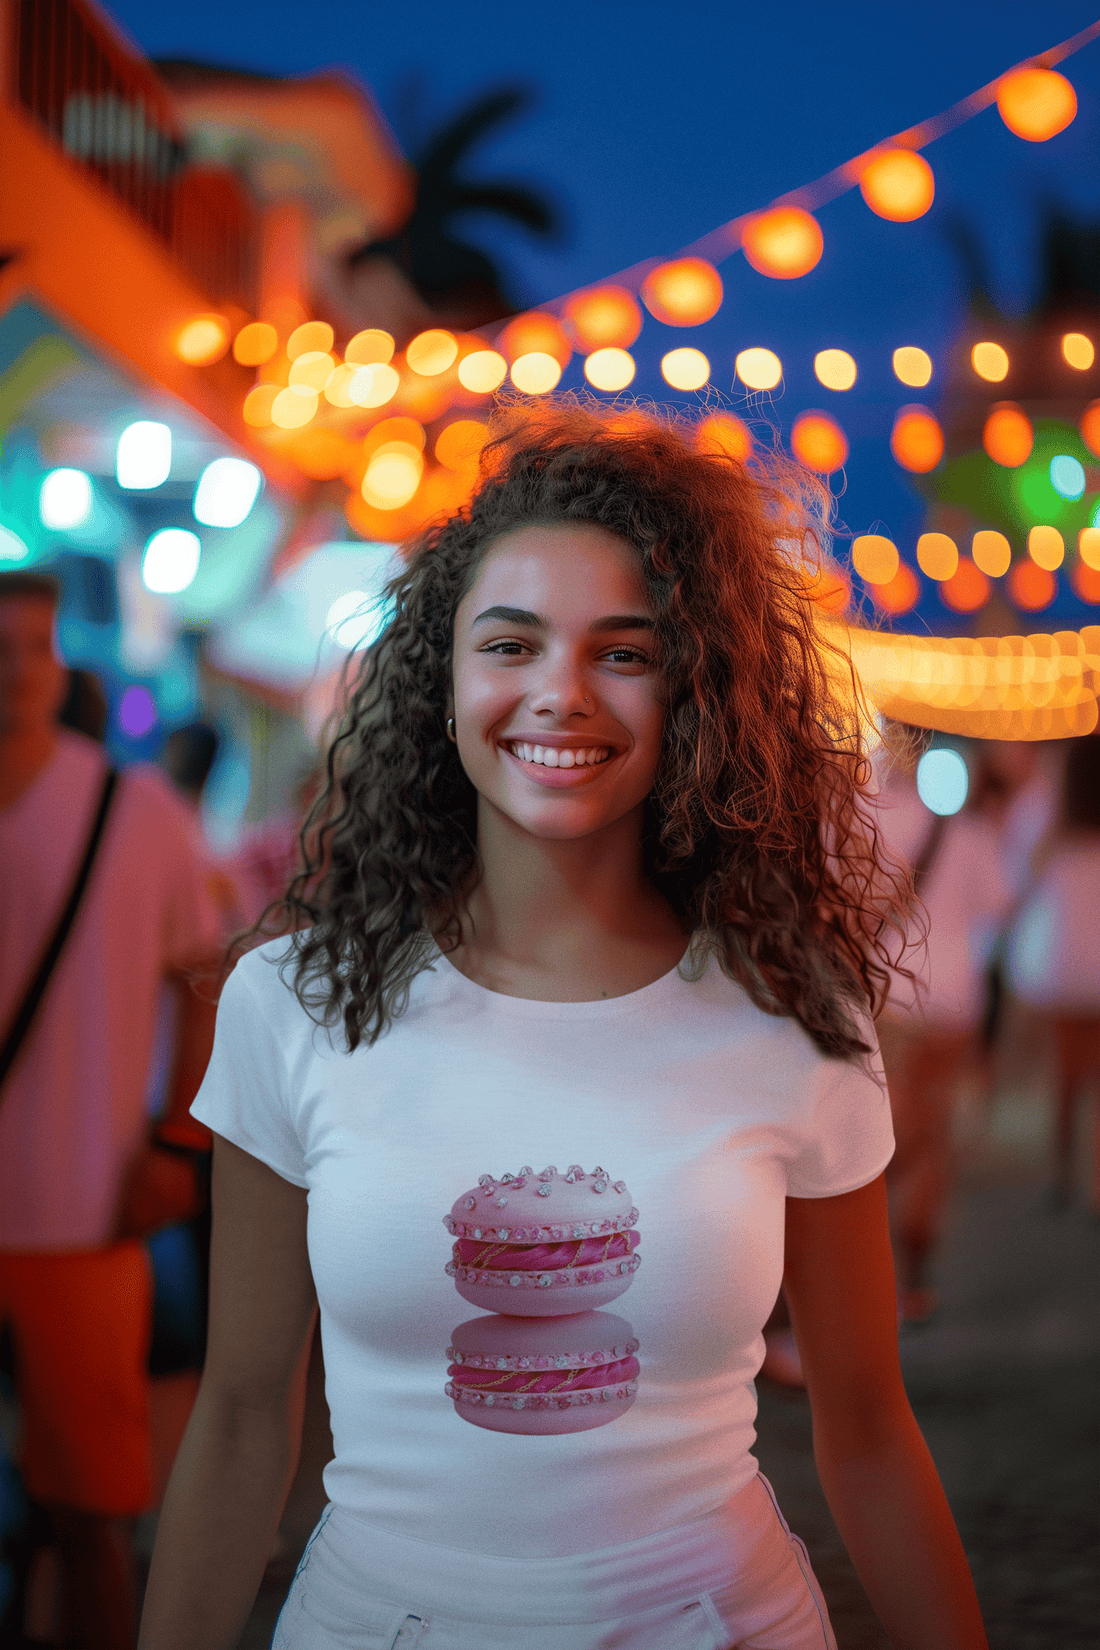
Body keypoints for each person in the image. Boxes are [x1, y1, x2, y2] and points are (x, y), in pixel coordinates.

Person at [140, 404, 987, 1650]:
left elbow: (864, 1427)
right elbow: (239, 1416)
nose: (560, 693)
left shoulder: (794, 1014)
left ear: (689, 692)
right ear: (442, 685)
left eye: (623, 652)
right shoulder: (296, 1003)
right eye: (510, 643)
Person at [0, 570, 221, 1650]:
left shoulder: (136, 815)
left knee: (94, 1508)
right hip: (80, 1211)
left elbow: (206, 981)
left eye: (32, 648)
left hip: (83, 1215)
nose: (13, 671)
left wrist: (179, 1144)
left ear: (61, 668)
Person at [873, 739, 1016, 1323]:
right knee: (931, 1135)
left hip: (888, 997)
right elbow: (999, 909)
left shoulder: (877, 818)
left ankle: (865, 1263)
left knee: (881, 1132)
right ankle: (916, 1276)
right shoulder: (975, 833)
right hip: (954, 1000)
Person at [1006, 734, 1100, 1212]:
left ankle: (1062, 1173)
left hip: (1064, 963)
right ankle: (1097, 1182)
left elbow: (1016, 877)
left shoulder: (1044, 812)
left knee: (1064, 1076)